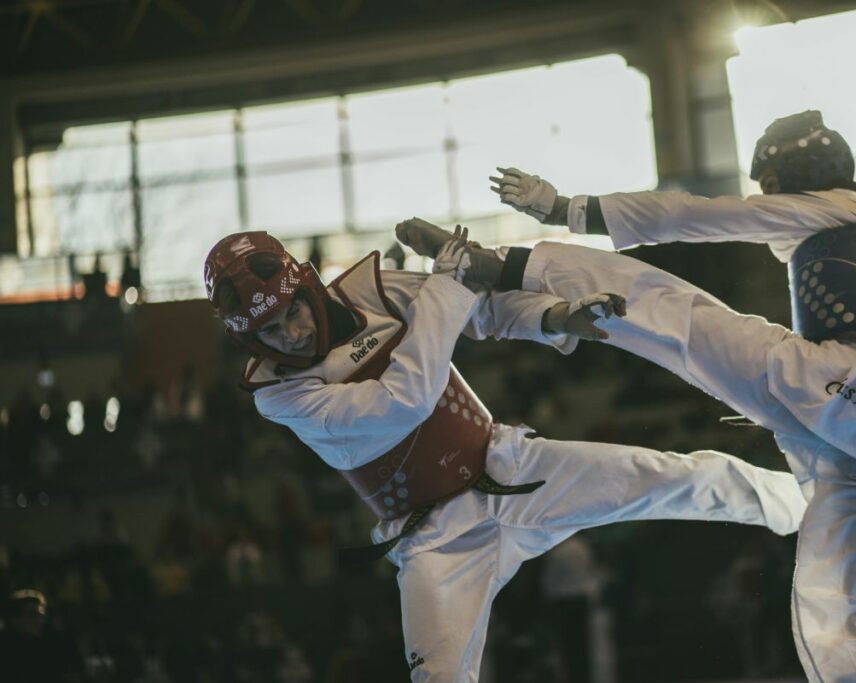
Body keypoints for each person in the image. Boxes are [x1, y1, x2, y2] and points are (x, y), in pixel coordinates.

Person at [394, 110, 856, 682]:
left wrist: (566, 208)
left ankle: (497, 265)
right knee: (842, 631)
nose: (771, 195)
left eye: (774, 182)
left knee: (666, 309)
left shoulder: (825, 208)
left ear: (794, 175)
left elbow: (698, 215)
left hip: (819, 385)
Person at [203, 229, 816, 682]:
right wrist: (445, 286)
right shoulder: (279, 396)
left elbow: (483, 312)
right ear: (245, 339)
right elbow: (404, 401)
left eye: (293, 311)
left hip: (512, 471)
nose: (292, 333)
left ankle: (820, 509)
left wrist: (553, 317)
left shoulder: (375, 289)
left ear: (306, 285)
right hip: (436, 543)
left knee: (676, 476)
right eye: (270, 331)